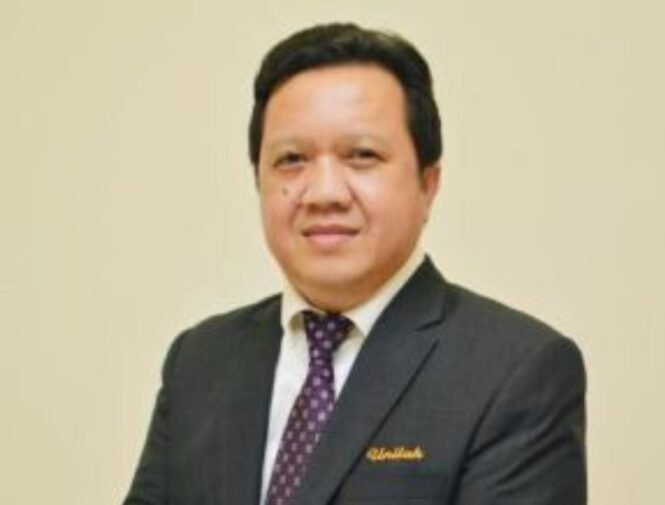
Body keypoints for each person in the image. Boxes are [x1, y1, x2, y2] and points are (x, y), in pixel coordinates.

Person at [124, 22, 586, 505]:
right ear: (258, 181)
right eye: (291, 159)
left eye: (362, 155)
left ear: (428, 184)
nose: (324, 193)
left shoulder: (515, 371)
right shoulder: (201, 361)